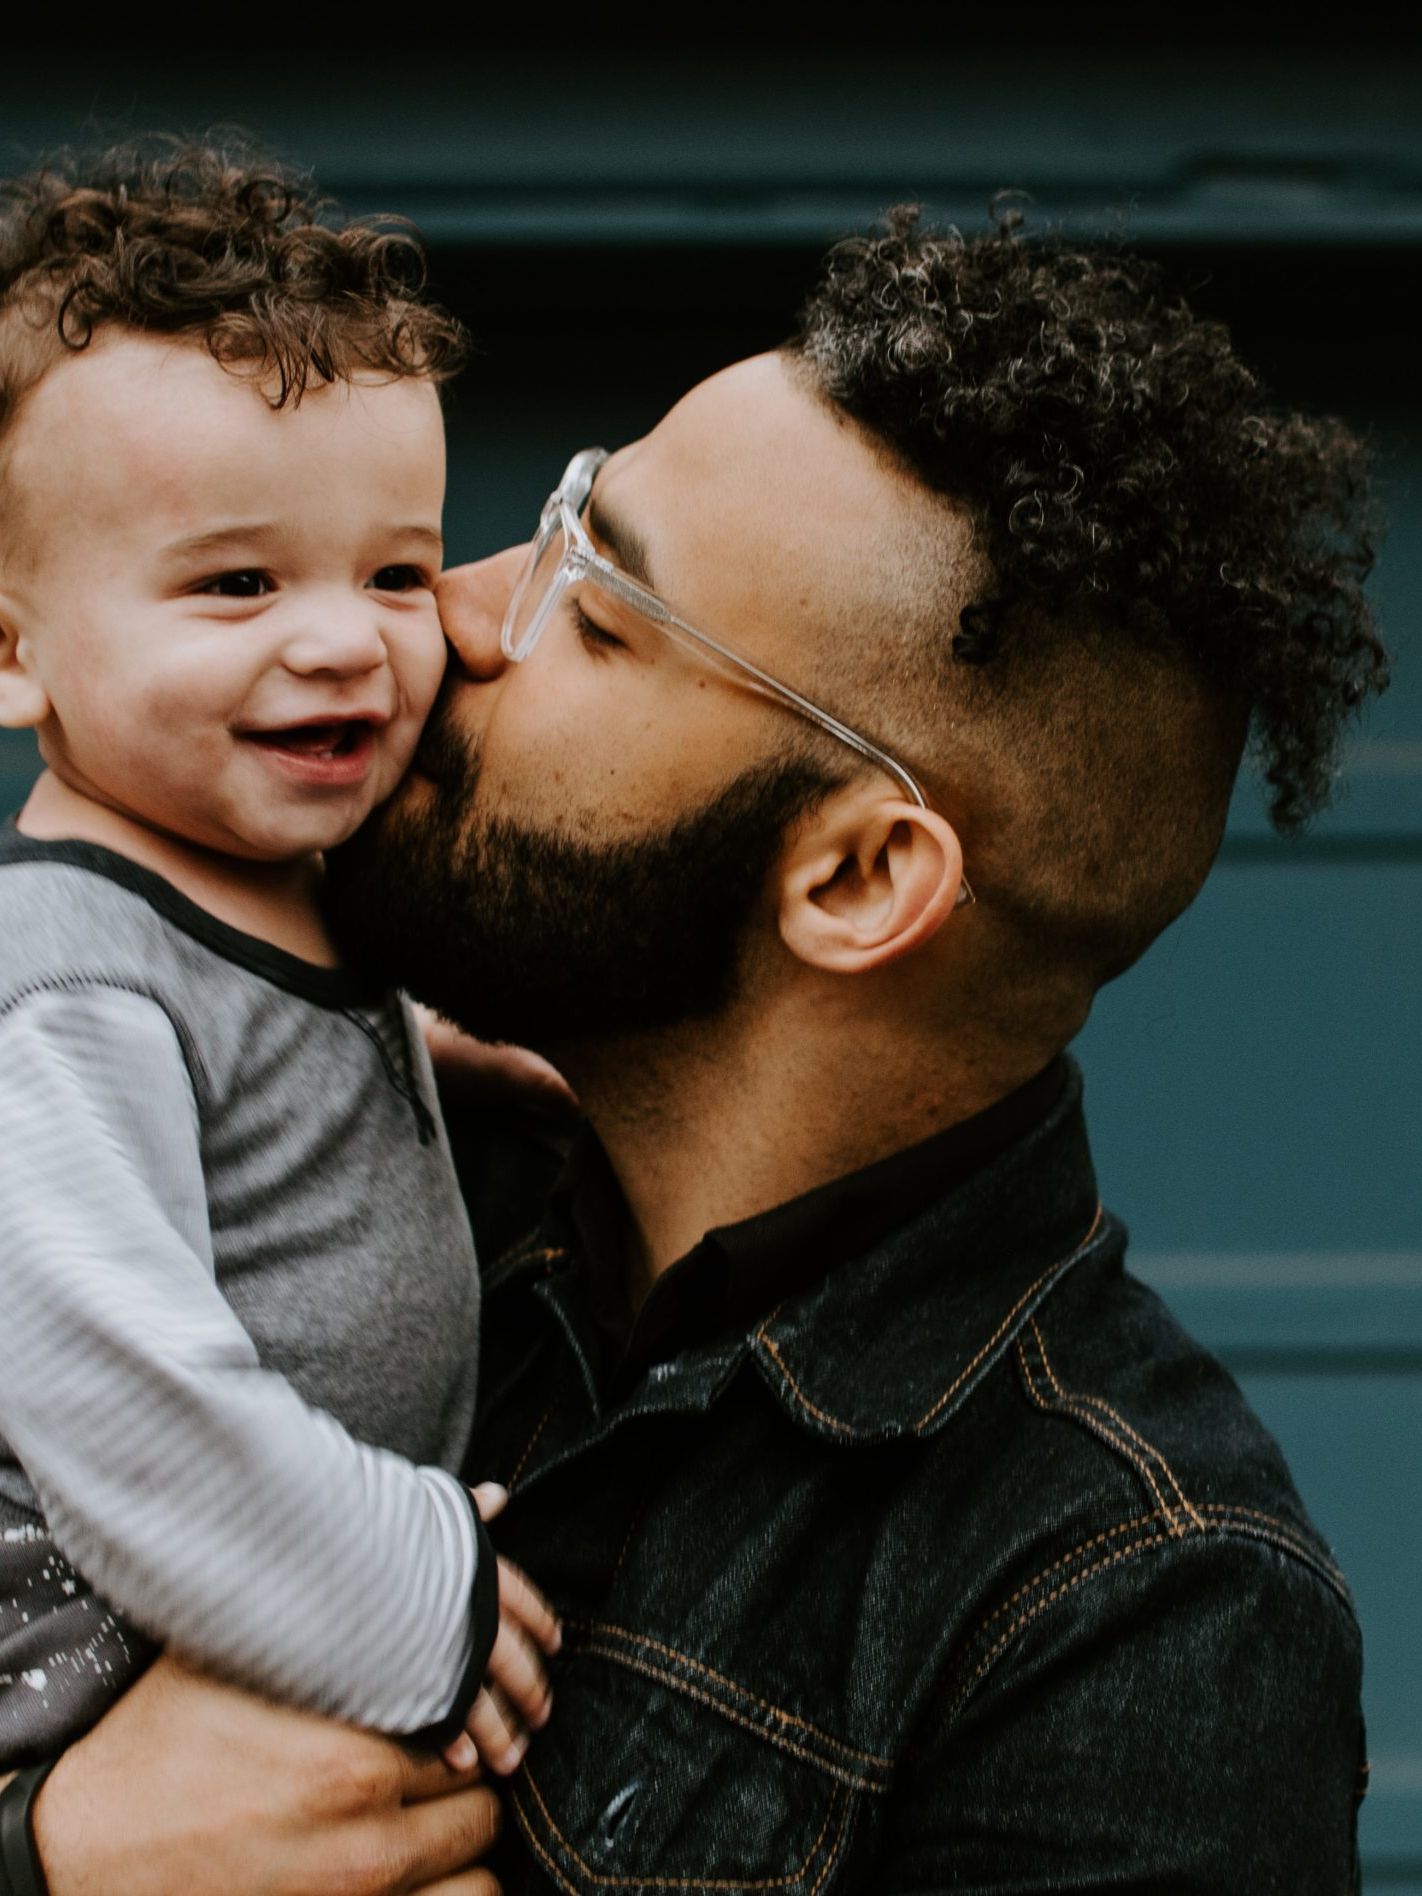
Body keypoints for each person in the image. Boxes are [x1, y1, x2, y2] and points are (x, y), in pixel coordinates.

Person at [9, 208, 1389, 1892]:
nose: (441, 617)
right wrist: (48, 1847)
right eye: (550, 529)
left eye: (597, 615)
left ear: (859, 877)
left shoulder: (1128, 1613)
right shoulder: (279, 1138)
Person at [0, 142, 556, 1791]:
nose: (340, 639)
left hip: (249, 1642)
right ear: (14, 650)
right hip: (102, 1691)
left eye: (393, 571)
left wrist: (427, 1066)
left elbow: (245, 1078)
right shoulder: (63, 988)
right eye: (236, 583)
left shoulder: (257, 883)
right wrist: (410, 1586)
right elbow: (122, 1399)